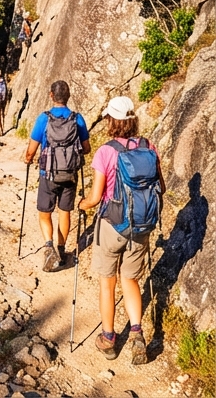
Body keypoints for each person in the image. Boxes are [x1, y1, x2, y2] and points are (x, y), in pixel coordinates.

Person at [78, 96, 164, 365]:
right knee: (131, 280)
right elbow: (160, 185)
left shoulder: (105, 152)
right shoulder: (149, 147)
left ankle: (109, 339)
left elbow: (95, 198)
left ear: (111, 121)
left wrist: (82, 204)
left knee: (107, 282)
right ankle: (137, 334)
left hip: (112, 225)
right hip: (142, 225)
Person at [24, 80, 90, 272]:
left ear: (51, 95)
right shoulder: (77, 119)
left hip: (48, 174)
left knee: (45, 213)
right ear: (68, 96)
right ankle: (61, 250)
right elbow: (86, 148)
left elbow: (31, 150)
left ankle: (48, 246)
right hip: (69, 174)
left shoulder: (44, 119)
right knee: (64, 212)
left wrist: (28, 160)